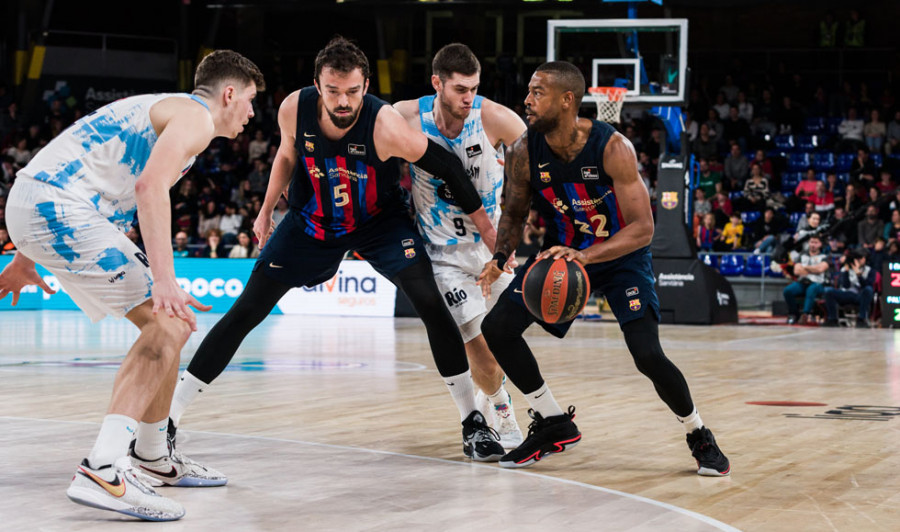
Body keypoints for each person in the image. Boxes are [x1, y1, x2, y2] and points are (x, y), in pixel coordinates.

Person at [168, 37, 505, 464]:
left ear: (365, 86)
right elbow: (287, 153)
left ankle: (472, 423)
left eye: (351, 91)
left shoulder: (385, 124)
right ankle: (170, 420)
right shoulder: (295, 108)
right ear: (317, 84)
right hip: (312, 222)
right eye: (332, 91)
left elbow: (447, 167)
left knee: (430, 304)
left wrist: (488, 230)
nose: (342, 101)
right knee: (246, 310)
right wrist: (266, 209)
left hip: (379, 224)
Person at [0, 49, 263, 521]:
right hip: (54, 207)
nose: (250, 113)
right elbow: (149, 188)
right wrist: (165, 279)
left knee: (172, 324)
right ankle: (102, 467)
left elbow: (84, 175)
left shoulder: (164, 112)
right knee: (168, 320)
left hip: (40, 204)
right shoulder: (195, 117)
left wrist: (25, 254)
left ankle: (152, 457)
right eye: (248, 100)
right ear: (229, 93)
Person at [477, 61, 729, 475]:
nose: (526, 100)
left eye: (537, 92)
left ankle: (697, 432)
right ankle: (553, 422)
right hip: (562, 256)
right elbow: (514, 211)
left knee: (647, 354)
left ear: (567, 100)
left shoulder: (613, 148)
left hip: (619, 258)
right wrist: (499, 258)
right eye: (528, 91)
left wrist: (589, 256)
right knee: (497, 328)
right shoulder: (525, 150)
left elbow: (644, 229)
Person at [393, 43, 525, 447]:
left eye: (474, 89)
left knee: (503, 342)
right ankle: (502, 412)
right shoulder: (405, 116)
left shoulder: (497, 119)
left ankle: (489, 399)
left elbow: (539, 169)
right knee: (477, 343)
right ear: (437, 83)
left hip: (495, 250)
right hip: (443, 255)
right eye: (459, 90)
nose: (468, 98)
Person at [782, 235, 829, 325]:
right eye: (811, 242)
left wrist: (804, 268)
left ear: (820, 244)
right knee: (788, 291)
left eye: (816, 243)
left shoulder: (824, 257)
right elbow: (796, 271)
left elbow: (820, 269)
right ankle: (794, 313)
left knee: (811, 289)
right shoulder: (802, 255)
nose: (813, 245)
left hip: (817, 283)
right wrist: (813, 269)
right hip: (802, 282)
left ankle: (805, 314)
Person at [824, 248, 875, 327]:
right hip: (846, 294)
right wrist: (846, 272)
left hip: (859, 295)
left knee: (869, 289)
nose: (858, 261)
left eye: (860, 258)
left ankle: (862, 319)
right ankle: (832, 319)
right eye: (857, 259)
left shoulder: (870, 270)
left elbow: (867, 286)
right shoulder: (844, 269)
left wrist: (858, 274)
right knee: (828, 291)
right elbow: (845, 285)